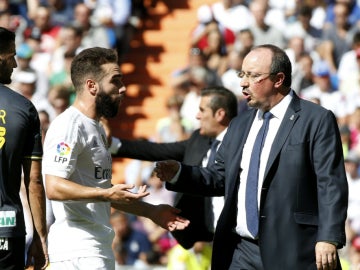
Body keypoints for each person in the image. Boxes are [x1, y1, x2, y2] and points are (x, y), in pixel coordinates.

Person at [154, 44, 348, 270]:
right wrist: (179, 173)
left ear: (278, 79)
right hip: (241, 251)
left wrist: (328, 237)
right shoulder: (239, 124)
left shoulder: (316, 119)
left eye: (253, 75)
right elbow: (219, 177)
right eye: (242, 74)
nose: (243, 82)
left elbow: (330, 183)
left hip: (293, 249)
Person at [41, 47, 189, 270]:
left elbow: (99, 190)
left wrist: (151, 212)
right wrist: (105, 193)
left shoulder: (97, 128)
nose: (123, 88)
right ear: (92, 85)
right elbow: (53, 187)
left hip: (95, 249)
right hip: (76, 252)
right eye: (115, 81)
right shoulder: (69, 126)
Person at [111, 86, 238, 249]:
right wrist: (112, 143)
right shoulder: (198, 139)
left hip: (239, 237)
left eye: (202, 110)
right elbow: (158, 150)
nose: (197, 116)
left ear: (220, 114)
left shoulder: (244, 143)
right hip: (208, 240)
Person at [0, 26, 48, 269]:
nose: (16, 65)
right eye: (12, 56)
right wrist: (40, 238)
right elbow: (34, 182)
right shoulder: (24, 108)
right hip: (6, 228)